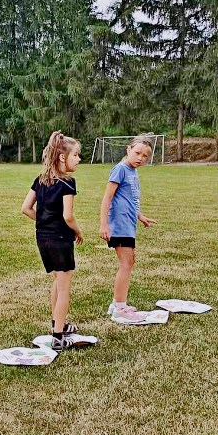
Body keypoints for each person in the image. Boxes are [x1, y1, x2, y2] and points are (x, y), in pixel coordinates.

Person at [21, 131, 84, 350]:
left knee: (57, 281)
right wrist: (78, 231)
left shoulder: (40, 180)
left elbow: (26, 208)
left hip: (43, 239)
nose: (79, 159)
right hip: (60, 239)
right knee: (64, 289)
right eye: (76, 155)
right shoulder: (68, 183)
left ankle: (59, 323)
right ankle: (58, 337)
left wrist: (45, 221)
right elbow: (68, 216)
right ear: (62, 157)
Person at [98, 136, 157, 320]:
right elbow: (107, 198)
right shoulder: (121, 169)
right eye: (137, 153)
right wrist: (104, 224)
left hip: (128, 224)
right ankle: (119, 307)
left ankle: (117, 304)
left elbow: (129, 199)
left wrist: (140, 216)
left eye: (145, 156)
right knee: (126, 263)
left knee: (129, 262)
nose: (140, 158)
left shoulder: (133, 171)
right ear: (128, 149)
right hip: (119, 225)